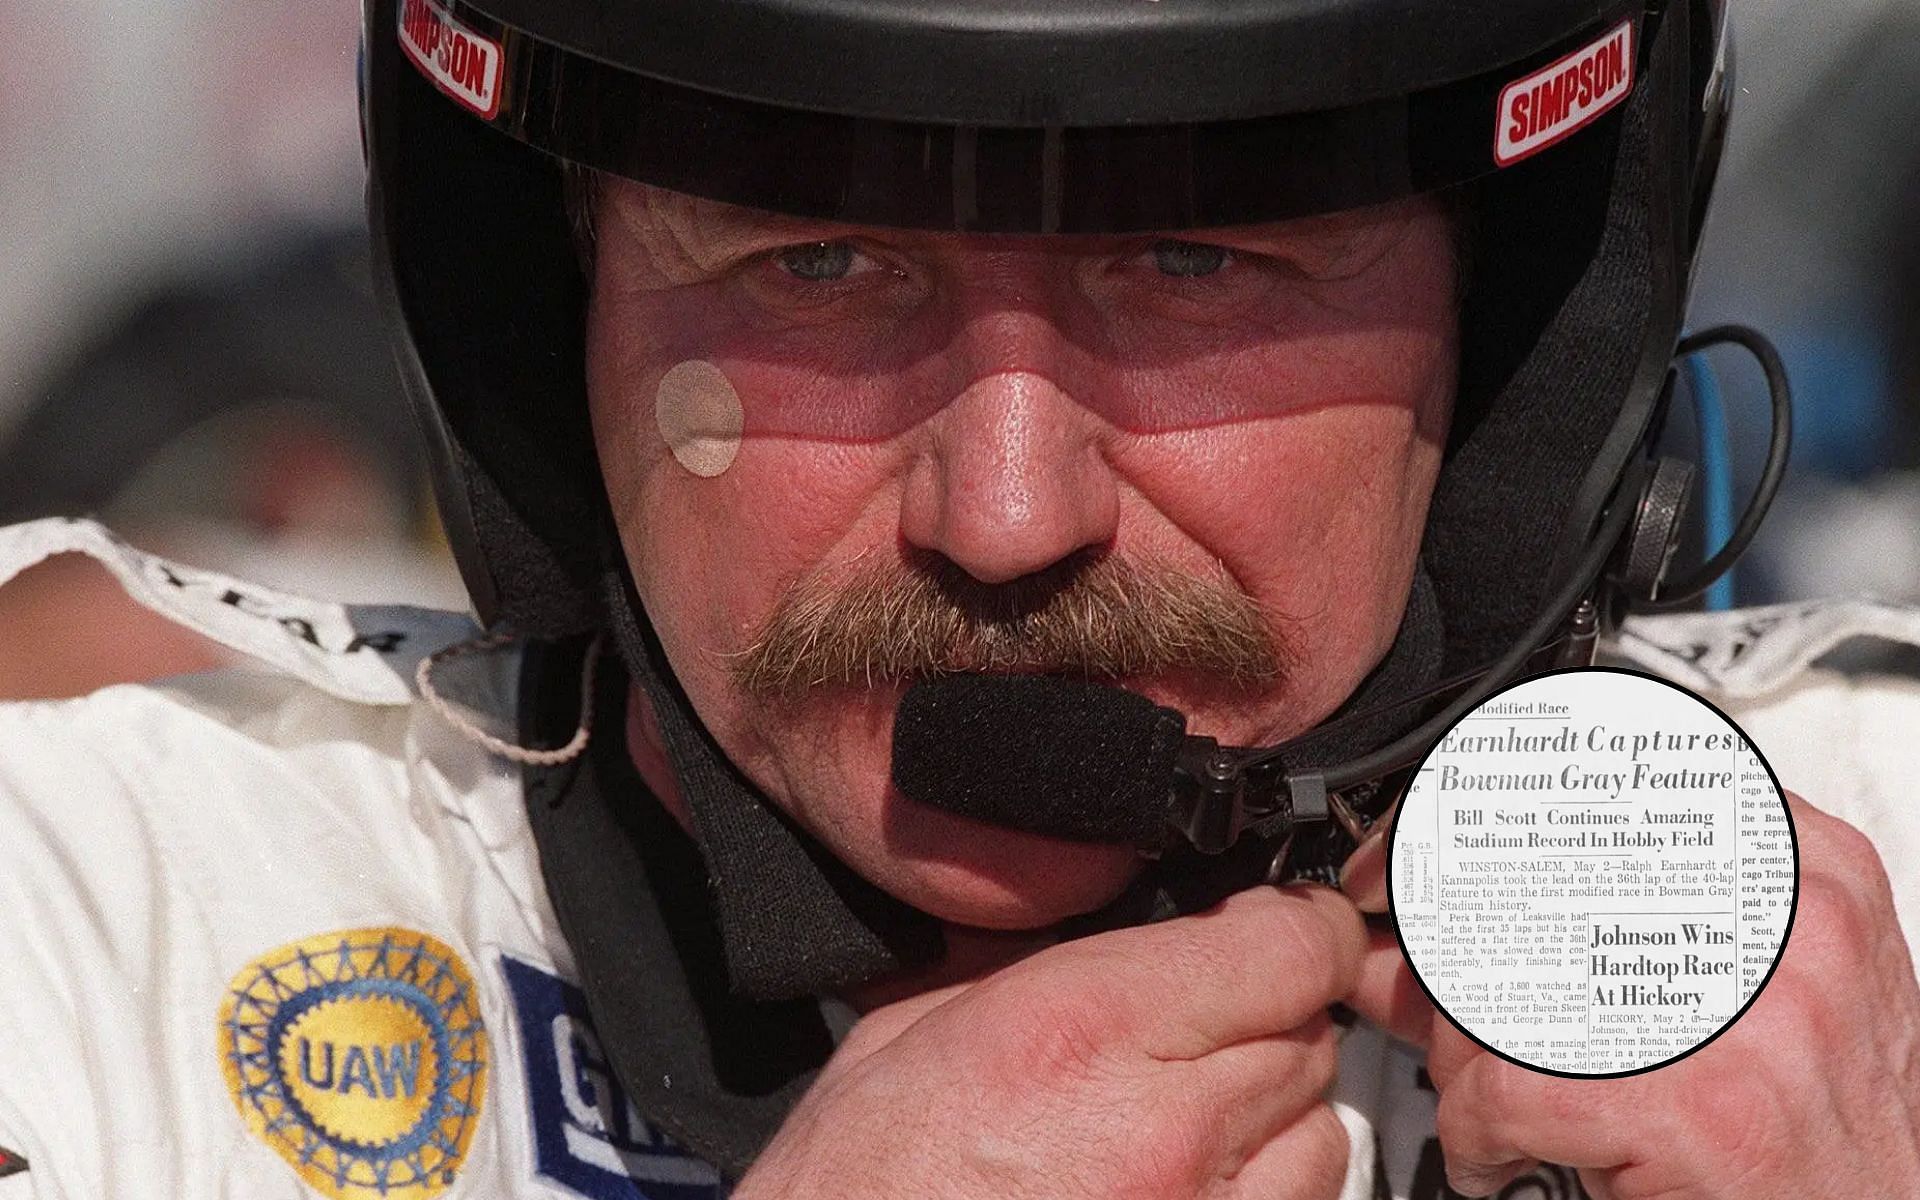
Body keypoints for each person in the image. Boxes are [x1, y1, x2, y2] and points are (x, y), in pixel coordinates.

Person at [1, 2, 1917, 1199]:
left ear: (1507, 346)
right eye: (817, 263)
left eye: (1198, 259)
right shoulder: (96, 934)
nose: (1006, 519)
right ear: (545, 309)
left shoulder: (1886, 884)